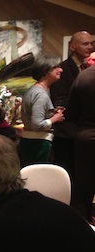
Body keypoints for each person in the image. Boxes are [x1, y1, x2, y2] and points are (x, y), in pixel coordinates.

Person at [50, 31, 93, 176]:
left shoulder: (90, 70)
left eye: (91, 43)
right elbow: (60, 101)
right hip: (68, 135)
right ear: (72, 47)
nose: (90, 47)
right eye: (85, 44)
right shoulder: (62, 70)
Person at [65, 51, 95, 223]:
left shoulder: (83, 77)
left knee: (83, 188)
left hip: (86, 137)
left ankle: (82, 228)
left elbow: (71, 112)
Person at [19, 54, 65, 166]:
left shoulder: (34, 90)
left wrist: (50, 114)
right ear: (46, 71)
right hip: (38, 144)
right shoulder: (41, 95)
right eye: (56, 67)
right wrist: (54, 119)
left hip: (30, 142)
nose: (61, 70)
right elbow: (37, 125)